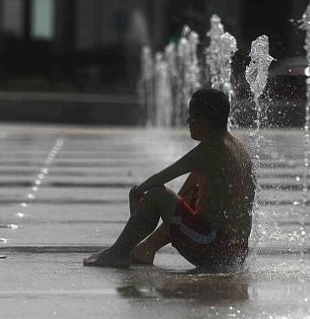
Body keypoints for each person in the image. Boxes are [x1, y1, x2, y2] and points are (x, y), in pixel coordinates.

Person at [84, 88, 255, 269]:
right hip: (234, 253)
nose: (188, 121)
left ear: (203, 120)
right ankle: (146, 249)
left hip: (213, 250)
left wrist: (137, 192)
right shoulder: (237, 147)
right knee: (189, 191)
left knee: (157, 195)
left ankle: (118, 252)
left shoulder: (211, 148)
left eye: (191, 116)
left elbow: (161, 178)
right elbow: (178, 208)